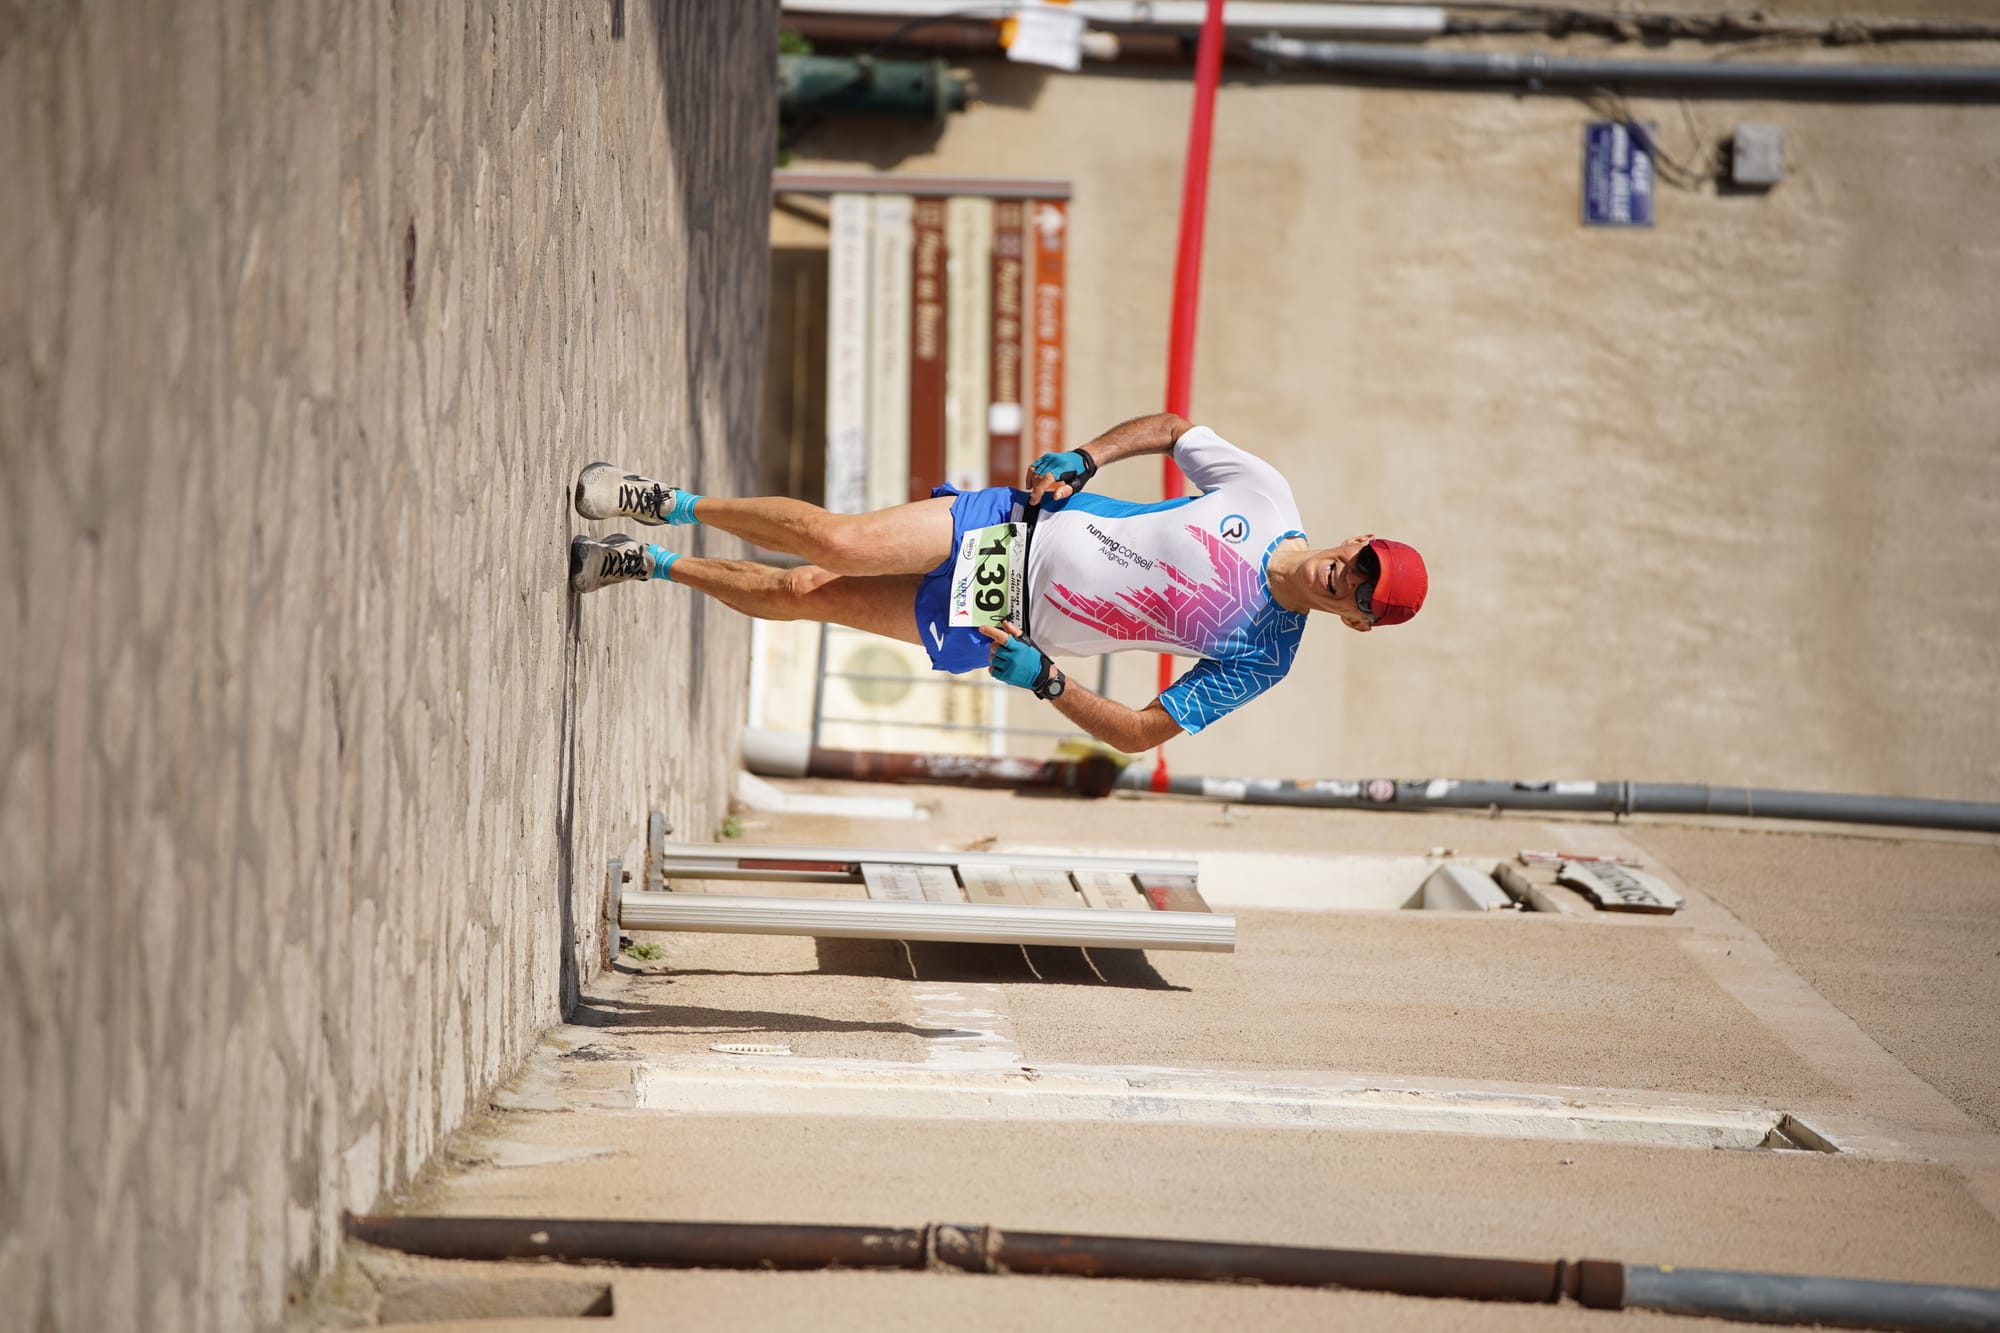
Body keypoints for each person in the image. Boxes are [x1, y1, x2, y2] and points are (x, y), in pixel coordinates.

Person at [568, 413, 1426, 752]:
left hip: (998, 620)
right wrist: (1088, 456)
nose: (1347, 580)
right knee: (835, 537)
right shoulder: (1266, 495)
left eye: (1361, 595)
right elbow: (1173, 427)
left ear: (1354, 622)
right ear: (1354, 542)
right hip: (1009, 526)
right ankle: (667, 502)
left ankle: (649, 564)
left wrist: (1050, 682)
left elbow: (1137, 731)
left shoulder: (1264, 655)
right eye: (1362, 565)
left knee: (803, 598)